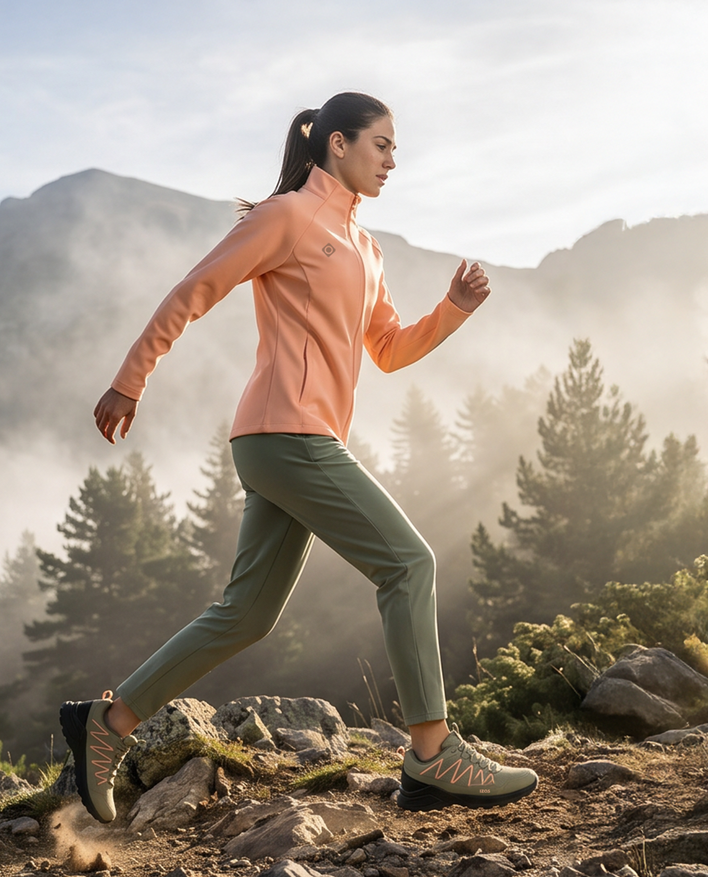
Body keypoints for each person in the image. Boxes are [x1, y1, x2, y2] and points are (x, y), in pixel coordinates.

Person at [60, 92, 538, 824]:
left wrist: (452, 311)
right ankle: (433, 753)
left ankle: (108, 725)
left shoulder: (365, 247)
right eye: (381, 144)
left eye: (395, 148)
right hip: (286, 435)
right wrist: (132, 376)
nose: (392, 159)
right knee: (408, 564)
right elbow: (196, 289)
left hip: (297, 441)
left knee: (247, 613)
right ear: (337, 145)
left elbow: (387, 350)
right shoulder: (285, 217)